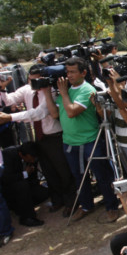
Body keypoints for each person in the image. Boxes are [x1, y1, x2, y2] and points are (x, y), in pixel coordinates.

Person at [44, 57, 118, 222]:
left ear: (83, 73)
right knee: (79, 177)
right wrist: (46, 91)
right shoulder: (67, 91)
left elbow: (71, 112)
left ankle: (111, 206)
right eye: (67, 72)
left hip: (90, 140)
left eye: (72, 72)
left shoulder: (86, 90)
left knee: (102, 176)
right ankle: (86, 205)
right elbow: (55, 114)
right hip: (70, 142)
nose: (68, 76)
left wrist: (63, 93)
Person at [0, 63, 76, 216]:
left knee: (63, 171)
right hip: (40, 138)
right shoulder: (28, 89)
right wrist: (2, 88)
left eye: (37, 81)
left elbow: (38, 113)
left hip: (55, 137)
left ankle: (71, 201)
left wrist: (10, 117)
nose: (34, 84)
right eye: (31, 80)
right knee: (48, 171)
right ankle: (57, 200)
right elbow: (9, 100)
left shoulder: (51, 91)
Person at [0, 142, 47, 226]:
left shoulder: (32, 157)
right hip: (11, 188)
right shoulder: (8, 155)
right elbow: (6, 179)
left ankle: (21, 206)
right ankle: (27, 217)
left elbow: (33, 177)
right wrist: (25, 174)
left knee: (43, 193)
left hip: (27, 184)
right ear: (21, 154)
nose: (32, 161)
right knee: (22, 185)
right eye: (30, 159)